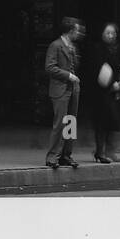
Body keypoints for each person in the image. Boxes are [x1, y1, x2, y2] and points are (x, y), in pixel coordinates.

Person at [44, 17, 85, 169]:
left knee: (70, 123)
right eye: (76, 30)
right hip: (60, 88)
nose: (78, 33)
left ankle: (66, 155)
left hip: (73, 88)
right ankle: (52, 156)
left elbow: (76, 65)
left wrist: (74, 55)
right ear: (70, 31)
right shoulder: (55, 45)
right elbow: (50, 67)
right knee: (60, 123)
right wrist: (68, 75)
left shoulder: (72, 47)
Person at [92, 22, 120, 164]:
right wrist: (111, 83)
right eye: (108, 33)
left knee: (113, 121)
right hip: (102, 92)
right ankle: (100, 152)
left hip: (116, 91)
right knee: (101, 123)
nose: (111, 35)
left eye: (113, 33)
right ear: (102, 34)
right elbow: (97, 70)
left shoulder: (118, 49)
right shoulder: (97, 49)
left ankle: (110, 152)